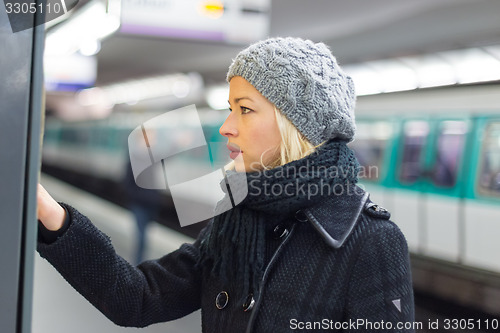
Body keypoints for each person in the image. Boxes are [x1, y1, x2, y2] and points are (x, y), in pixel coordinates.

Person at [37, 37, 415, 332]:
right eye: (229, 108)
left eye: (244, 109)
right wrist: (53, 217)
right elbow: (139, 297)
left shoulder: (371, 242)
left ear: (295, 126)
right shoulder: (234, 222)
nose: (226, 127)